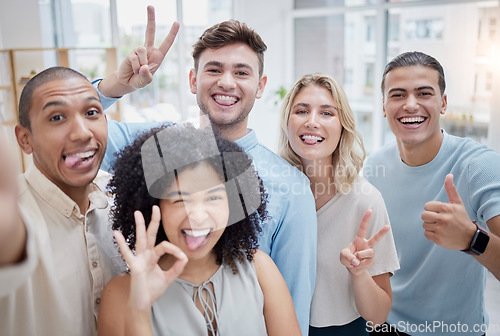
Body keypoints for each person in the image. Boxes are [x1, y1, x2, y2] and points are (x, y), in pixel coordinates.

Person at [101, 19, 318, 335]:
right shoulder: (155, 149)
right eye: (214, 70)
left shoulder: (292, 189)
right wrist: (115, 87)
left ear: (260, 86)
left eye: (242, 72)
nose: (227, 83)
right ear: (193, 79)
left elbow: (293, 305)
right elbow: (79, 134)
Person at [0, 7, 180, 336]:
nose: (82, 132)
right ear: (24, 139)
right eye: (56, 118)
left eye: (92, 112)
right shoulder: (14, 218)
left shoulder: (122, 200)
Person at [97, 123, 301, 336]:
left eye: (213, 197)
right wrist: (139, 311)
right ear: (154, 206)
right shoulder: (121, 293)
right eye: (180, 200)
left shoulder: (259, 269)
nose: (197, 216)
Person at [364, 51, 500, 336]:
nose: (410, 104)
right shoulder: (374, 166)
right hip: (385, 327)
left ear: (443, 103)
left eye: (424, 93)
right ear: (384, 106)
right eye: (398, 95)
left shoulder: (479, 166)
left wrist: (472, 239)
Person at [277, 73, 399, 335]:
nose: (312, 122)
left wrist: (359, 274)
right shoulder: (274, 193)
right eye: (301, 111)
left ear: (343, 125)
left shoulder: (365, 200)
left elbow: (378, 316)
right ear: (287, 122)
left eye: (327, 113)